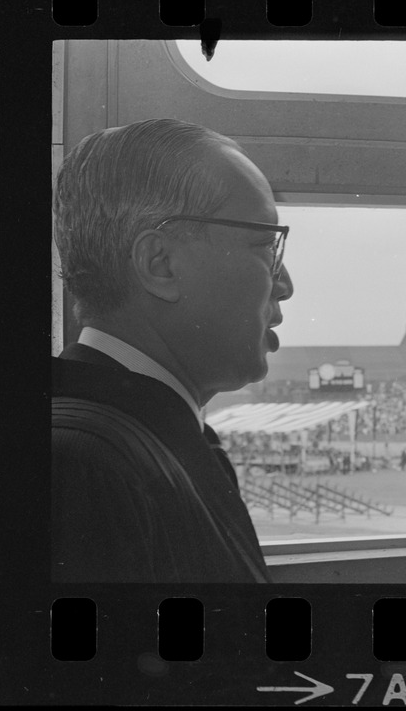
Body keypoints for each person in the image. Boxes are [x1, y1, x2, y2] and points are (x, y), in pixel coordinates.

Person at [52, 119, 294, 582]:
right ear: (160, 264)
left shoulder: (125, 441)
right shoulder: (81, 469)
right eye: (266, 246)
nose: (284, 284)